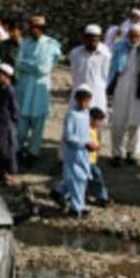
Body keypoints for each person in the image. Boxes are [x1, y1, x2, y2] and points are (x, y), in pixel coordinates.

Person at [15, 16, 63, 166]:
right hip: (25, 85)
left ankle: (33, 153)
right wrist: (33, 64)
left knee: (38, 124)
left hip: (40, 87)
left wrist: (28, 64)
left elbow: (44, 68)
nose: (30, 30)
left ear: (41, 29)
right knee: (21, 122)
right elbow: (18, 63)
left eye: (34, 28)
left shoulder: (51, 45)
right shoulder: (25, 43)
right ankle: (17, 150)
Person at [107, 24, 140, 166]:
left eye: (137, 36)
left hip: (139, 90)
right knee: (118, 121)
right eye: (131, 35)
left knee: (137, 122)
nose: (134, 38)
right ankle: (117, 153)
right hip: (121, 87)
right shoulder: (118, 48)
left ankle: (132, 153)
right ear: (127, 35)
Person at [59, 86, 101, 218]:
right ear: (77, 100)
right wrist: (84, 143)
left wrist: (91, 143)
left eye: (86, 101)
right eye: (81, 101)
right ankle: (76, 207)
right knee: (74, 179)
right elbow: (68, 136)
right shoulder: (72, 115)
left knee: (82, 179)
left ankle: (79, 204)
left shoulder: (87, 114)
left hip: (84, 153)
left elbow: (87, 132)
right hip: (73, 152)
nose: (84, 104)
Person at [69, 24, 112, 117]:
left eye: (95, 39)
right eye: (90, 39)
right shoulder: (75, 53)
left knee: (96, 120)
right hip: (79, 90)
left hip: (97, 92)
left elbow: (106, 75)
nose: (93, 42)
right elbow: (74, 73)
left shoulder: (105, 54)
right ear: (85, 38)